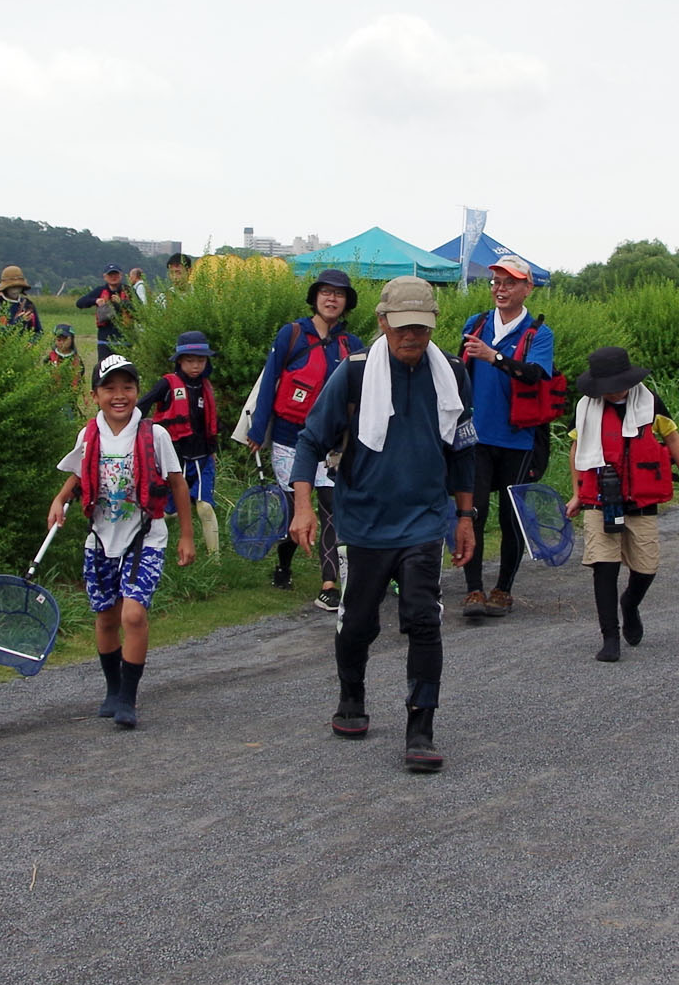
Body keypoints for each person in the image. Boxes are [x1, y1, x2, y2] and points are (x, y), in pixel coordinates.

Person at [289, 277, 476, 773]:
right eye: (402, 327)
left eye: (421, 327)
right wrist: (303, 507)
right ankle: (352, 697)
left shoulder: (452, 375)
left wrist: (464, 516)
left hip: (424, 520)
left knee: (423, 619)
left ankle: (421, 729)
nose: (411, 337)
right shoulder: (352, 375)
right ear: (381, 322)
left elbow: (463, 450)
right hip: (365, 520)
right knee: (358, 623)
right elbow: (309, 442)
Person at [48, 355, 197, 730]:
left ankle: (128, 698)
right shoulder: (89, 434)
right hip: (101, 539)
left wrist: (187, 536)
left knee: (133, 614)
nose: (120, 396)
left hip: (144, 538)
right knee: (105, 617)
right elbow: (80, 475)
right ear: (95, 394)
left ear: (136, 391)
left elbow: (178, 484)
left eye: (127, 388)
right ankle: (112, 690)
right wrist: (59, 499)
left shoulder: (154, 435)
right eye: (110, 389)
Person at [569, 347, 679, 663]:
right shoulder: (586, 407)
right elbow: (577, 449)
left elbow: (673, 440)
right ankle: (610, 637)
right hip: (599, 499)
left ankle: (630, 603)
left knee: (646, 568)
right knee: (603, 567)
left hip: (640, 500)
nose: (611, 391)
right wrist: (577, 493)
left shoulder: (651, 403)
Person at [247, 267, 364, 609]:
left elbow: (357, 398)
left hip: (331, 445)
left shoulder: (351, 345)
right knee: (293, 514)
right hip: (290, 439)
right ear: (315, 298)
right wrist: (258, 430)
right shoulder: (292, 334)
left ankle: (329, 584)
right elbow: (269, 382)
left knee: (330, 509)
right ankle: (284, 563)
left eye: (339, 294)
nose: (332, 298)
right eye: (325, 292)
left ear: (346, 303)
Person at [455, 255, 557, 623]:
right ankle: (473, 589)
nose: (500, 289)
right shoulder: (476, 323)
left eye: (509, 282)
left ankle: (503, 590)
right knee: (472, 512)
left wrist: (494, 357)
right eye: (495, 281)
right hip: (476, 437)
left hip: (519, 439)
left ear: (527, 288)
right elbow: (459, 372)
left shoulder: (538, 333)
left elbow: (534, 375)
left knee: (512, 518)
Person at [140, 331, 222, 557]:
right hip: (175, 459)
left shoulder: (205, 386)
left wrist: (212, 451)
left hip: (203, 458)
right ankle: (147, 548)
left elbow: (210, 424)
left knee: (205, 507)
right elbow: (141, 406)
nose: (196, 365)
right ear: (179, 361)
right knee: (167, 511)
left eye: (201, 360)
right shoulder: (167, 384)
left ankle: (214, 561)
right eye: (190, 360)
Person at [76, 265, 135, 357]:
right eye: (110, 275)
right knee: (103, 368)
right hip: (105, 340)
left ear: (121, 275)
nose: (113, 277)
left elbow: (139, 310)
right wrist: (95, 301)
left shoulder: (129, 291)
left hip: (125, 340)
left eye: (116, 274)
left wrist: (122, 302)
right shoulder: (100, 291)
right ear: (105, 277)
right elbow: (79, 303)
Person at [0, 265, 41, 335]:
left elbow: (38, 331)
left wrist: (32, 342)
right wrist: (20, 321)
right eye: (12, 286)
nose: (15, 288)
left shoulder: (28, 305)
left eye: (18, 285)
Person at [45, 323, 86, 395]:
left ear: (72, 339)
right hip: (53, 394)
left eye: (65, 339)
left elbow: (80, 376)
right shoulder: (50, 358)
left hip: (70, 394)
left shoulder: (76, 359)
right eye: (59, 340)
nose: (62, 342)